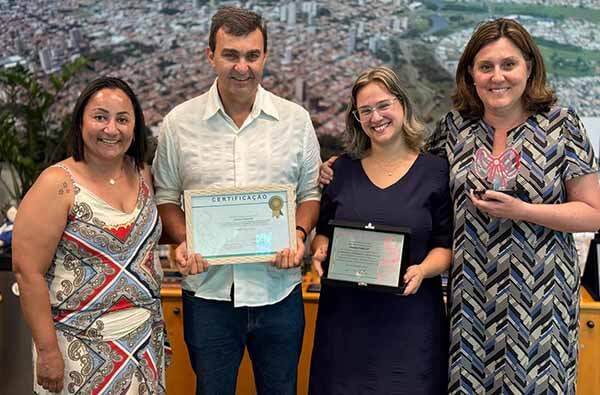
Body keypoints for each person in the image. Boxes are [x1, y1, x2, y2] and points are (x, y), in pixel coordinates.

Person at [320, 19, 600, 394]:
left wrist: (525, 211)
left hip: (541, 306)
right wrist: (337, 170)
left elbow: (593, 211)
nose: (496, 77)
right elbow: (404, 174)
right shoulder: (455, 129)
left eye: (508, 64)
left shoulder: (562, 126)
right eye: (485, 67)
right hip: (470, 305)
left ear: (529, 67)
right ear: (470, 74)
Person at [151, 6, 321, 395]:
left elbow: (310, 194)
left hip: (279, 292)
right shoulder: (180, 123)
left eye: (251, 55)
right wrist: (184, 239)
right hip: (208, 296)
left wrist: (297, 232)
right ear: (210, 55)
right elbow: (165, 198)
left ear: (265, 56)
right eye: (230, 55)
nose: (242, 67)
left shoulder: (295, 121)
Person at [12, 76, 168, 394]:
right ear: (81, 121)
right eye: (100, 117)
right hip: (78, 351)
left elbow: (144, 249)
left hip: (142, 345)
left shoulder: (141, 173)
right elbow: (28, 273)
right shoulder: (57, 184)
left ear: (135, 127)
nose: (111, 129)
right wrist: (47, 352)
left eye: (122, 119)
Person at [309, 66, 453, 395]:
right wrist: (320, 250)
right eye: (366, 111)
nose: (376, 117)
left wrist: (422, 270)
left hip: (411, 320)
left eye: (384, 105)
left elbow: (446, 246)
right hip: (345, 324)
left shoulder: (436, 171)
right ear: (357, 119)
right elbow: (323, 233)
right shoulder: (340, 170)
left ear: (402, 105)